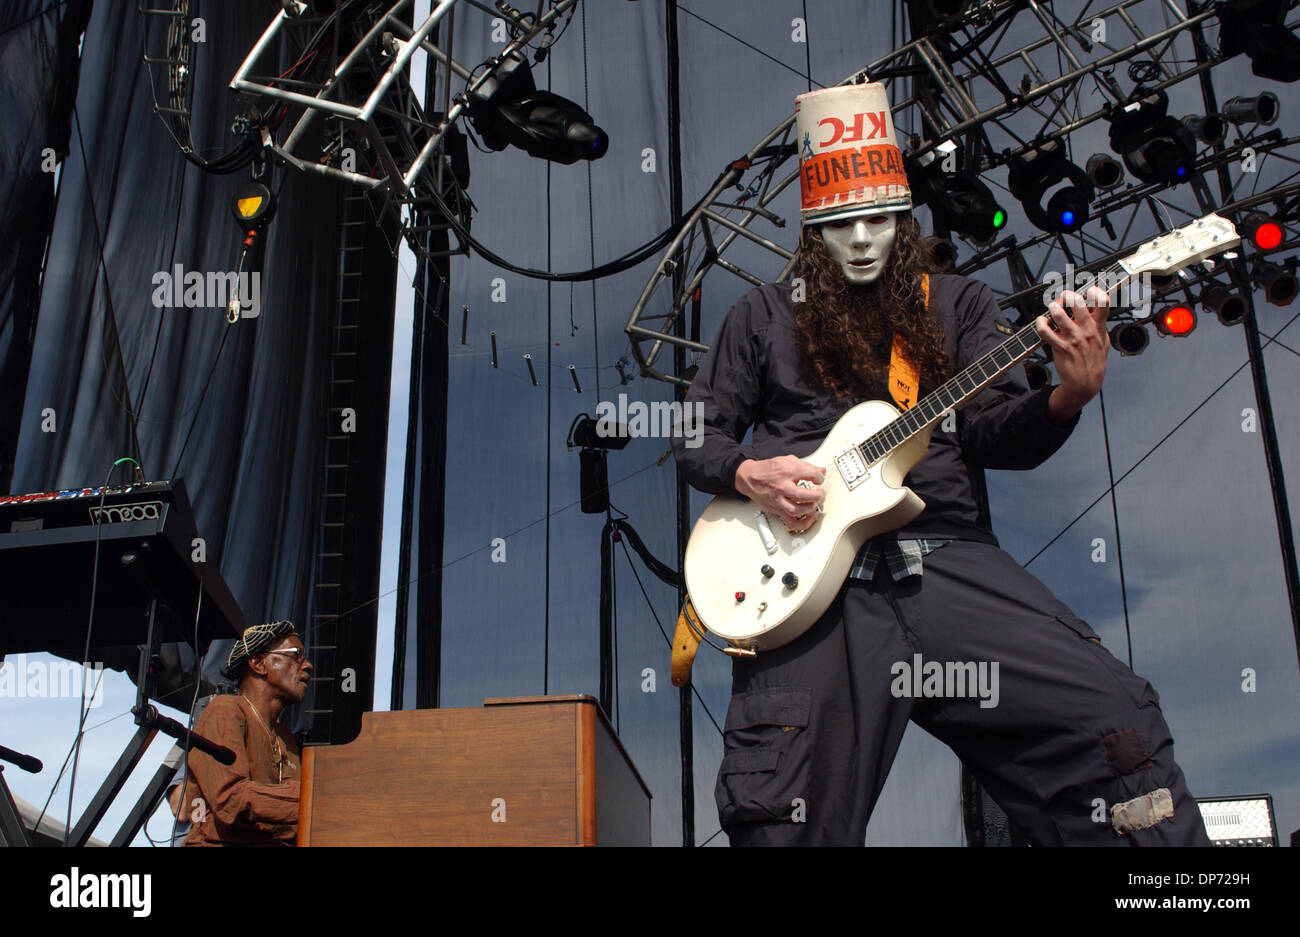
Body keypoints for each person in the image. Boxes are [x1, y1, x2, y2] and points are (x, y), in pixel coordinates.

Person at [672, 82, 1211, 846]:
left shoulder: (957, 304)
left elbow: (993, 431)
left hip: (945, 555)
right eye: (841, 223)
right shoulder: (761, 314)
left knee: (1112, 724)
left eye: (880, 219)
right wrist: (747, 473)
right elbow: (695, 432)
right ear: (812, 231)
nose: (863, 238)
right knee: (782, 803)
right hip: (807, 584)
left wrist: (1068, 396)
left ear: (905, 220)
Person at [179, 620, 311, 846]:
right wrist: (314, 797)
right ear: (259, 663)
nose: (307, 665)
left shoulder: (285, 737)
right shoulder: (225, 710)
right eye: (297, 655)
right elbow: (231, 801)